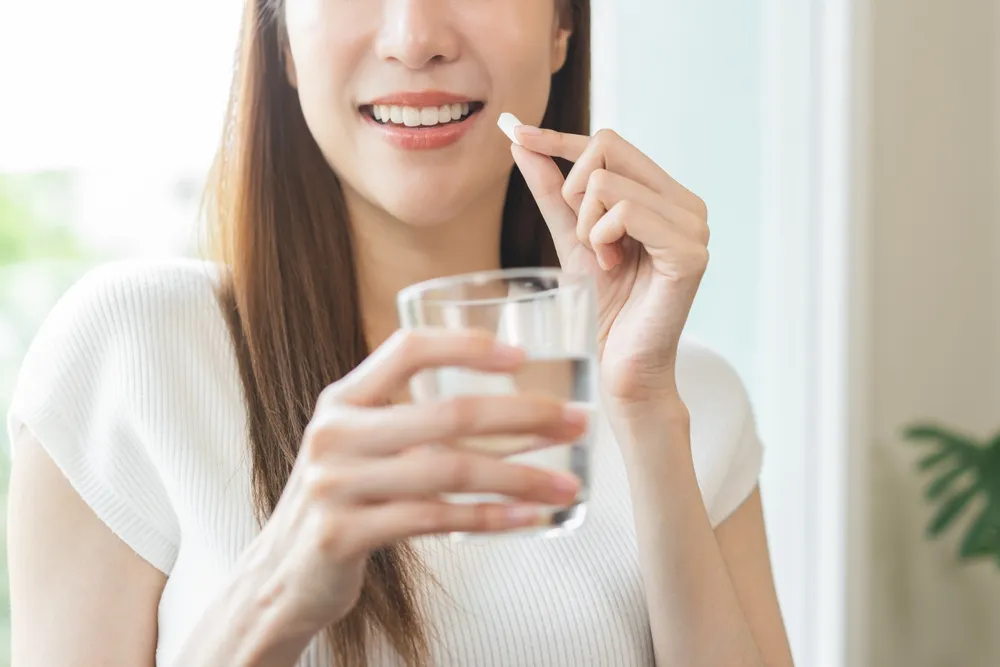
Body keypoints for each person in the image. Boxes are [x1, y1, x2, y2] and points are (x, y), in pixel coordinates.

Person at [6, 1, 794, 666]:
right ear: (280, 35)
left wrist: (646, 410)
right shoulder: (132, 356)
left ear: (562, 25)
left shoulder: (694, 401)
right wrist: (275, 591)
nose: (415, 38)